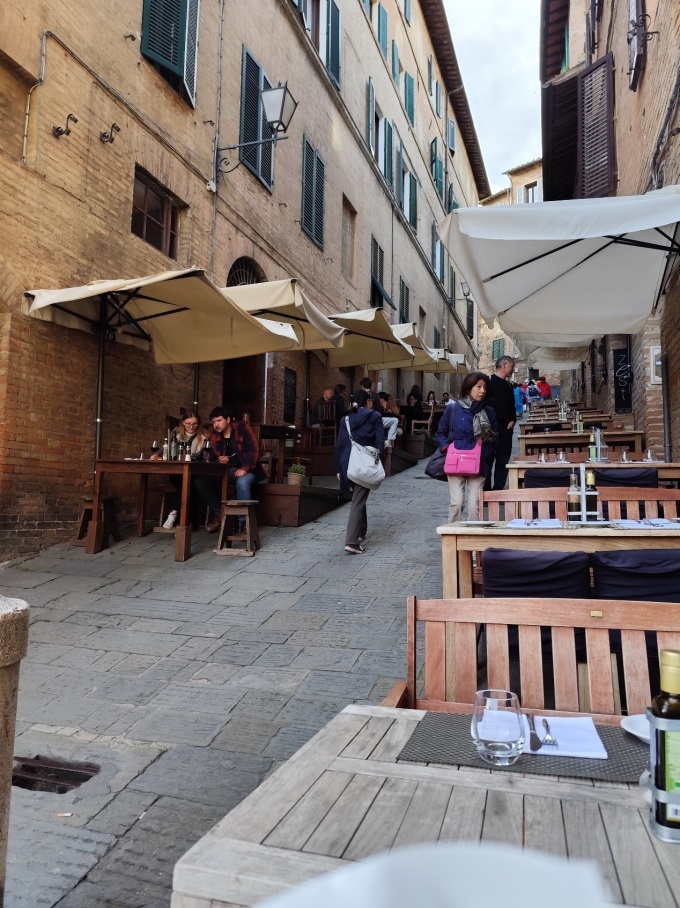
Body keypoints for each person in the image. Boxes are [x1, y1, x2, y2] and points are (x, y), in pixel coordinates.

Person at [435, 372, 498, 522]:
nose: (482, 391)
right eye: (478, 387)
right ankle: (453, 533)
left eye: (485, 387)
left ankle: (472, 534)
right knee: (456, 503)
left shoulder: (489, 411)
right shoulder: (453, 409)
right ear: (469, 388)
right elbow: (440, 433)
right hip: (456, 460)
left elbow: (495, 438)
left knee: (474, 504)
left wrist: (484, 455)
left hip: (479, 462)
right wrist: (447, 449)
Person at [194, 406, 261, 532]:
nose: (216, 424)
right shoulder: (214, 438)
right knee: (200, 480)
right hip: (226, 472)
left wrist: (244, 469)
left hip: (248, 469)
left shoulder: (242, 428)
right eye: (214, 422)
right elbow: (209, 458)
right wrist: (219, 460)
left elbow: (254, 451)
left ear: (228, 419)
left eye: (219, 420)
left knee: (242, 482)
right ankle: (219, 513)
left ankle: (243, 524)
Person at [335, 390, 385, 554]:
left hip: (346, 462)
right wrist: (379, 461)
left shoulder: (345, 419)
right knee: (358, 501)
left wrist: (338, 468)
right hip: (363, 464)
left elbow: (339, 444)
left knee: (358, 496)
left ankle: (361, 532)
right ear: (368, 401)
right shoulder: (375, 416)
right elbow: (380, 443)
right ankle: (351, 542)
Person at [151, 409, 208, 528]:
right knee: (185, 482)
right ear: (183, 423)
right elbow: (166, 446)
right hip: (176, 472)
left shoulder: (203, 437)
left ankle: (173, 514)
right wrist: (156, 454)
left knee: (189, 482)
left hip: (193, 472)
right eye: (188, 424)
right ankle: (187, 521)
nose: (191, 426)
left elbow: (205, 457)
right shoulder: (176, 432)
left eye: (195, 424)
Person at [484, 355, 516, 491]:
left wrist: (513, 420)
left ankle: (498, 489)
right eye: (512, 366)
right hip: (490, 429)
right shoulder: (488, 382)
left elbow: (512, 405)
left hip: (506, 429)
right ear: (504, 365)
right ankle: (485, 491)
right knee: (487, 460)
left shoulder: (509, 385)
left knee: (503, 461)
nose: (513, 369)